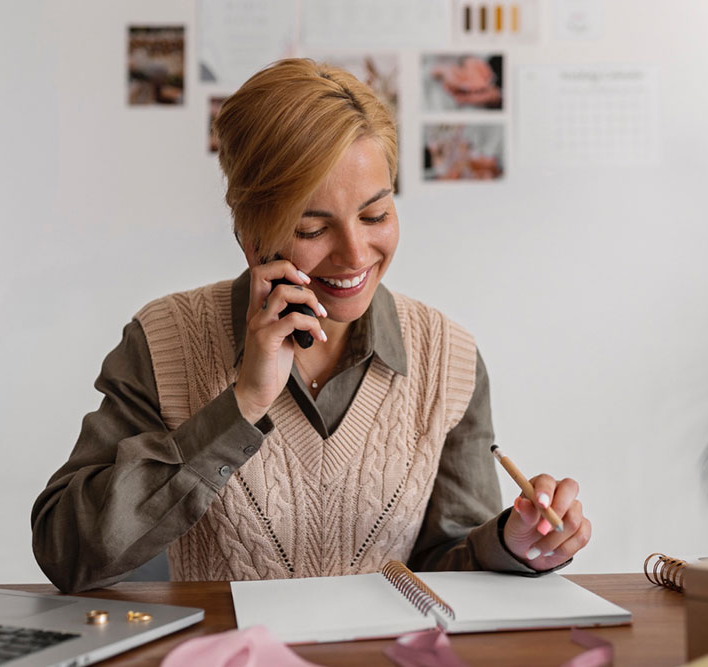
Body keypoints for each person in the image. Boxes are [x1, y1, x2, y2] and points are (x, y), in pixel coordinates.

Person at [32, 59, 590, 594]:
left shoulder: (449, 356)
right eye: (311, 226)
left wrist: (511, 546)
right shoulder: (163, 340)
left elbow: (444, 564)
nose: (354, 254)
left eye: (375, 215)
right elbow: (67, 554)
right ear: (251, 235)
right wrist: (244, 404)